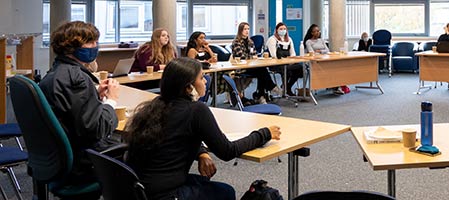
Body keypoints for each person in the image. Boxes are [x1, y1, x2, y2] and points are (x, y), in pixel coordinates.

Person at [124, 57, 282, 200]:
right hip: (166, 194)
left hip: (137, 188)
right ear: (188, 88)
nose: (206, 81)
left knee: (208, 184)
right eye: (201, 78)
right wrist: (265, 133)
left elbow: (177, 135)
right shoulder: (196, 110)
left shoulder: (155, 106)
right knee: (226, 192)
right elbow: (227, 151)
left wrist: (201, 153)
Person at [39, 21, 122, 199]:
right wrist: (111, 101)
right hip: (82, 164)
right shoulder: (77, 79)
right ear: (71, 47)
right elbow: (97, 129)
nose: (95, 46)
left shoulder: (56, 73)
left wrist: (95, 95)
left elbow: (72, 110)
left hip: (58, 159)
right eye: (90, 42)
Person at [231, 22, 283, 103]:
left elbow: (254, 54)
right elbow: (242, 56)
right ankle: (269, 88)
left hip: (251, 66)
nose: (247, 31)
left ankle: (260, 95)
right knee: (262, 71)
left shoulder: (250, 41)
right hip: (242, 68)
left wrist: (252, 57)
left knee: (261, 71)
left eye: (248, 29)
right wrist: (252, 57)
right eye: (245, 29)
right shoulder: (236, 42)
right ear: (240, 30)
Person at [302, 24, 345, 95]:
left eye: (318, 31)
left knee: (335, 67)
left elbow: (327, 50)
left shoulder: (321, 40)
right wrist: (320, 51)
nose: (318, 32)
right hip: (314, 62)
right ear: (311, 33)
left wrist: (320, 51)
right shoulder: (308, 42)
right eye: (315, 31)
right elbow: (312, 52)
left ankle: (336, 86)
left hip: (324, 59)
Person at [267, 22, 305, 96]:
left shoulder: (289, 39)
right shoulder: (272, 39)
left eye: (284, 29)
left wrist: (290, 60)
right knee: (287, 70)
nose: (283, 30)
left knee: (300, 68)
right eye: (281, 29)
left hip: (288, 63)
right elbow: (273, 55)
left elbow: (293, 53)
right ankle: (286, 88)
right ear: (277, 30)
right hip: (276, 64)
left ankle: (287, 87)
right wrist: (284, 60)